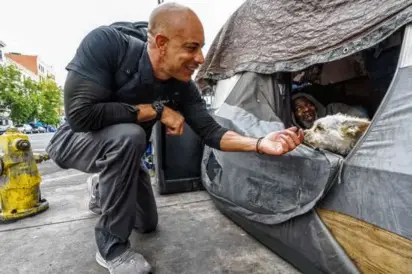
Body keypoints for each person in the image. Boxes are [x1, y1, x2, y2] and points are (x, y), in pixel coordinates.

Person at [46, 3, 304, 274]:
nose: (201, 58)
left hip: (125, 154)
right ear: (161, 43)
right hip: (74, 141)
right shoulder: (107, 44)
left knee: (147, 224)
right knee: (131, 135)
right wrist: (157, 110)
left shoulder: (182, 87)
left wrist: (260, 143)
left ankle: (101, 189)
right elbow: (79, 115)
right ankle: (112, 248)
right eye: (192, 47)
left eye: (201, 47)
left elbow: (211, 132)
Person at [292, 92, 369, 129]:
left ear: (314, 105)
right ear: (294, 114)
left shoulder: (333, 109)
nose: (306, 109)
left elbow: (359, 115)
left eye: (308, 104)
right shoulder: (299, 136)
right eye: (299, 108)